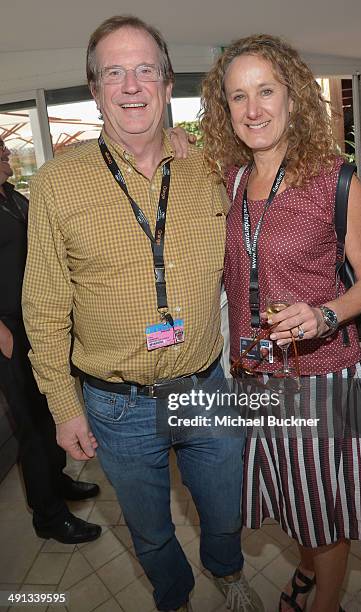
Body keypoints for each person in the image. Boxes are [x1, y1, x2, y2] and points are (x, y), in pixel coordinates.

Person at [22, 15, 263, 612]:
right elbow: (45, 308)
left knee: (226, 510)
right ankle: (174, 596)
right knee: (151, 528)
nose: (131, 85)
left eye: (145, 71)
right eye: (115, 72)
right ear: (96, 87)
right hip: (116, 402)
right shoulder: (56, 185)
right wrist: (63, 407)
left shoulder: (209, 171)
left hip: (204, 385)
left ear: (165, 82)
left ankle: (226, 572)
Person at [200, 34, 361, 612]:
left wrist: (323, 314)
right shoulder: (233, 182)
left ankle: (325, 604)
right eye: (239, 97)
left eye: (266, 91)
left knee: (324, 509)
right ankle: (310, 574)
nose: (253, 109)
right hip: (254, 380)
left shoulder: (335, 180)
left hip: (321, 380)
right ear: (226, 110)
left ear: (293, 99)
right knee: (295, 498)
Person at [0, 136, 102, 544]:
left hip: (37, 322)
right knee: (31, 424)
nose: (6, 153)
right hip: (10, 329)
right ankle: (48, 515)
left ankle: (57, 480)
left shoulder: (12, 195)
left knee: (51, 410)